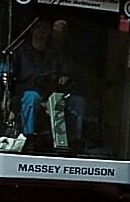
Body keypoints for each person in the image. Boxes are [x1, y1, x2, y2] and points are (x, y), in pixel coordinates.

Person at [8, 19, 85, 152]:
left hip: (52, 95)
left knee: (77, 101)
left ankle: (73, 141)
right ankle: (28, 139)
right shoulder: (19, 52)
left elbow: (65, 74)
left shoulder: (56, 55)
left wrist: (64, 78)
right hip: (25, 95)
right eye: (39, 27)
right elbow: (7, 74)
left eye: (46, 28)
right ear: (32, 30)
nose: (42, 31)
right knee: (32, 97)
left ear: (50, 32)